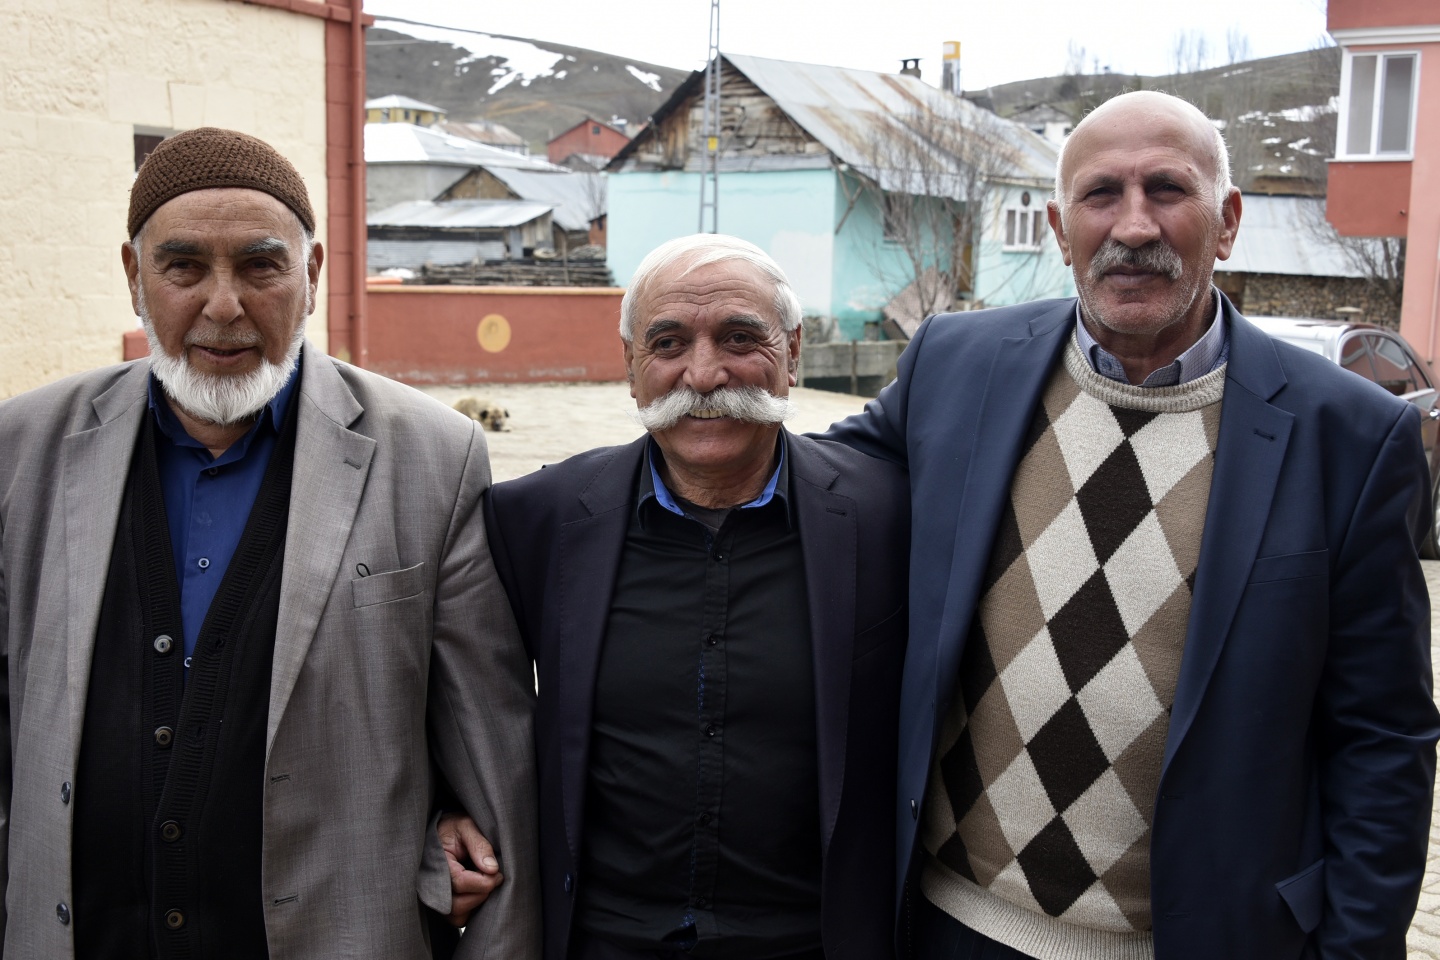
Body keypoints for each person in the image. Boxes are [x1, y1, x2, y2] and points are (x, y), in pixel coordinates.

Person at [825, 90, 1440, 958]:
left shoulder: (1350, 437)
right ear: (1058, 225)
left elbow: (1383, 736)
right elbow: (812, 491)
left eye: (1168, 191)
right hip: (949, 926)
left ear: (1227, 222)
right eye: (1102, 194)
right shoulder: (954, 366)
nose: (1135, 226)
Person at [0, 128, 539, 959]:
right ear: (133, 277)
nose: (224, 305)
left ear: (312, 275)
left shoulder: (432, 458)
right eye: (183, 267)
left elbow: (493, 770)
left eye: (260, 266)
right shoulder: (24, 447)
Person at [441, 234, 910, 960]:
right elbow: (453, 689)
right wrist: (442, 809)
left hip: (814, 941)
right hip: (600, 940)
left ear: (793, 352)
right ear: (631, 367)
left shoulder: (889, 516)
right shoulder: (534, 519)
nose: (703, 372)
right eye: (668, 343)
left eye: (738, 337)